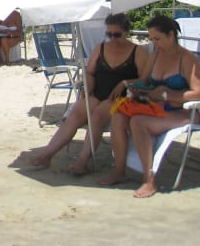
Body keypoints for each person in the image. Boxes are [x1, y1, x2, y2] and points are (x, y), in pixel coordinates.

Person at [99, 14, 200, 198]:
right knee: (118, 116)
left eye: (157, 38)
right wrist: (128, 85)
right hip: (157, 108)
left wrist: (167, 94)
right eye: (151, 39)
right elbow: (144, 81)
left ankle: (149, 181)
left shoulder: (187, 59)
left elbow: (199, 93)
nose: (154, 43)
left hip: (183, 111)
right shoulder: (156, 55)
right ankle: (119, 171)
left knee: (138, 122)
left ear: (171, 35)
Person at [28, 13, 148, 173]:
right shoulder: (100, 48)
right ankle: (47, 155)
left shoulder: (138, 52)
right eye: (109, 34)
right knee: (75, 115)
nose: (113, 38)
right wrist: (88, 85)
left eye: (117, 34)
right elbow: (90, 73)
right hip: (97, 92)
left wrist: (124, 83)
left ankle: (83, 161)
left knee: (97, 116)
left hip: (121, 97)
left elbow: (145, 79)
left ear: (126, 32)